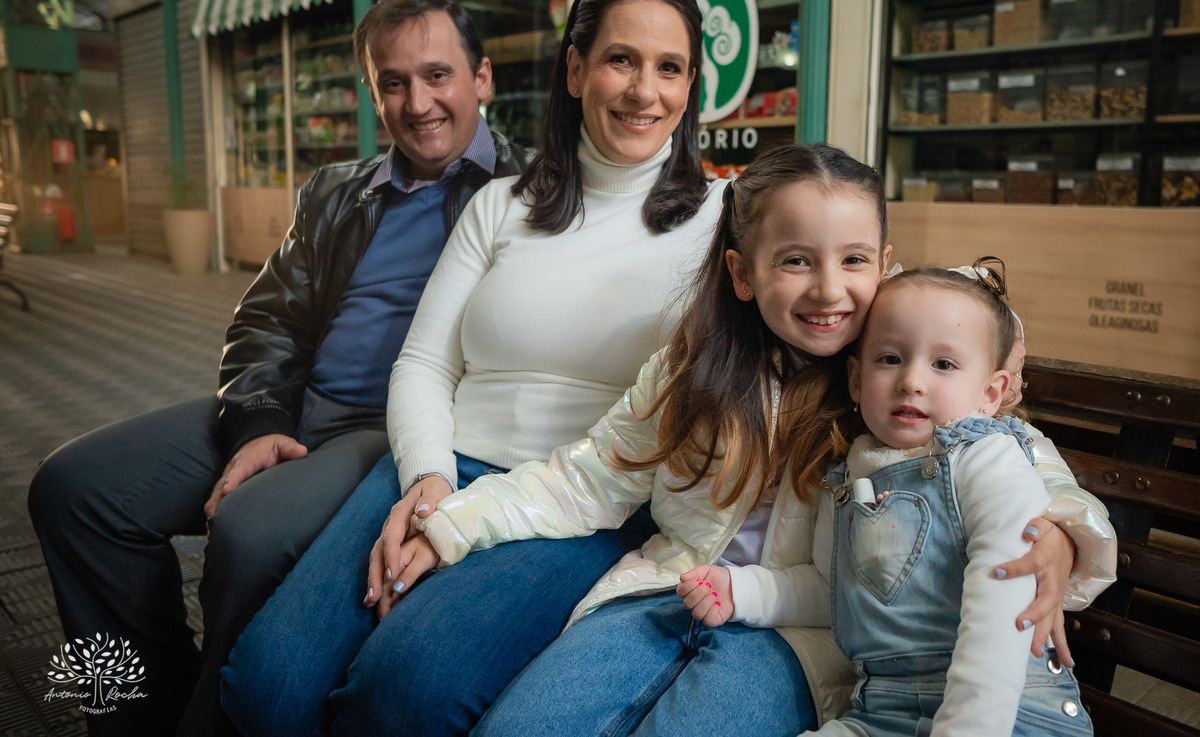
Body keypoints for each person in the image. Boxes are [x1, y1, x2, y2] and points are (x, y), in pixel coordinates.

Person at [371, 145, 1116, 735]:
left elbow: (1017, 456)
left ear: (883, 266)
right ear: (743, 272)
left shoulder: (907, 381)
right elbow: (586, 478)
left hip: (797, 639)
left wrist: (1060, 532)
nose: (829, 289)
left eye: (854, 260)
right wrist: (452, 526)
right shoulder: (691, 369)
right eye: (796, 259)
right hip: (663, 591)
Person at [220, 0, 724, 737]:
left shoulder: (730, 218)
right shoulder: (502, 204)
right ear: (577, 67)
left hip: (580, 506)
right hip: (442, 463)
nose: (643, 90)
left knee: (404, 690)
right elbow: (425, 361)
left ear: (692, 85)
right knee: (267, 685)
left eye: (670, 67)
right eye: (621, 59)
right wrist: (428, 478)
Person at [26, 0, 527, 737]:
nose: (417, 102)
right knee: (72, 489)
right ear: (372, 92)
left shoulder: (532, 197)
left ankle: (206, 719)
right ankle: (139, 708)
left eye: (438, 76)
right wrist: (258, 420)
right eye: (393, 82)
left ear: (481, 78)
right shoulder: (335, 192)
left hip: (389, 431)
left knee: (251, 530)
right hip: (292, 403)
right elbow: (268, 321)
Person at [805, 260, 1096, 736]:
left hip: (1009, 711)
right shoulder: (845, 477)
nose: (912, 381)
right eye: (890, 358)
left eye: (943, 364)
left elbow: (1001, 607)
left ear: (990, 393)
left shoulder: (987, 458)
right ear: (856, 380)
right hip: (882, 708)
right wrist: (748, 593)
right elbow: (830, 588)